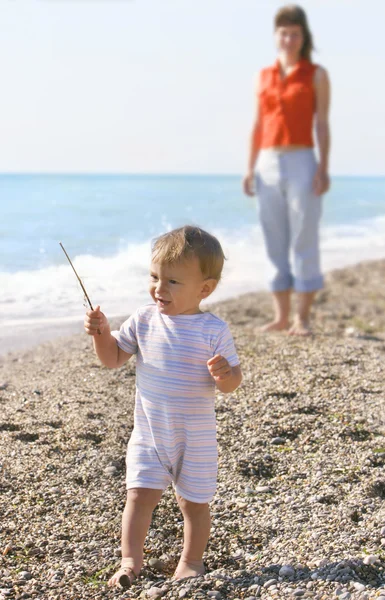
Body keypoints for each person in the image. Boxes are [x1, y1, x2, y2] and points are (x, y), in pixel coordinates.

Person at [84, 225, 242, 588]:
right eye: (154, 277)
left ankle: (190, 561)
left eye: (172, 281)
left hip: (195, 437)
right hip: (150, 433)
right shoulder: (143, 319)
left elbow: (233, 382)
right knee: (139, 495)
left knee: (193, 503)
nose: (159, 288)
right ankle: (130, 560)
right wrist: (102, 334)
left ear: (205, 288)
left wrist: (224, 374)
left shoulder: (213, 330)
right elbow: (113, 359)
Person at [243, 4, 331, 336]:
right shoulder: (262, 76)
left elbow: (322, 124)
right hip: (267, 161)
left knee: (303, 235)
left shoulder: (316, 75)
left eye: (295, 33)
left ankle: (302, 318)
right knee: (273, 237)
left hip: (302, 160)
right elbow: (257, 124)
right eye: (283, 32)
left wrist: (323, 167)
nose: (289, 38)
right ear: (275, 36)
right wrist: (249, 168)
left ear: (303, 36)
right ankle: (281, 316)